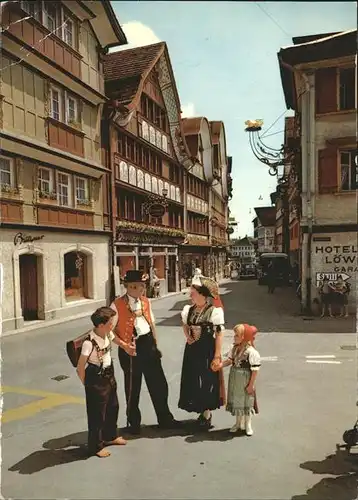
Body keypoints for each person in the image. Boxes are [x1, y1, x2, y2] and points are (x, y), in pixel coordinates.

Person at [110, 270, 180, 435]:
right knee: (133, 387)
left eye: (143, 286)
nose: (143, 289)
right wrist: (124, 345)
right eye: (140, 286)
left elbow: (151, 323)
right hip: (130, 349)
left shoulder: (146, 301)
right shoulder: (116, 305)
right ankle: (133, 423)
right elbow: (109, 331)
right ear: (130, 286)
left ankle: (165, 419)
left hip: (148, 345)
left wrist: (155, 345)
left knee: (159, 384)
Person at [76, 307, 127, 458]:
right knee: (97, 414)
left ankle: (110, 436)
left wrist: (125, 346)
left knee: (113, 406)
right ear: (100, 325)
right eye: (110, 323)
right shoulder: (89, 343)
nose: (112, 325)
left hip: (109, 373)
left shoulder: (107, 334)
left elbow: (114, 339)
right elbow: (80, 367)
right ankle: (95, 446)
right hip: (96, 377)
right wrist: (88, 384)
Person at [179, 275, 226, 430]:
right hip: (192, 349)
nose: (190, 294)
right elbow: (185, 325)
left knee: (207, 380)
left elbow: (219, 333)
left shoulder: (214, 311)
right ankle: (199, 408)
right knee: (192, 378)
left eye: (193, 291)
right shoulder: (189, 310)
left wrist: (217, 355)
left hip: (207, 348)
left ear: (202, 294)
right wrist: (188, 336)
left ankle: (206, 412)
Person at [214, 323, 260, 436]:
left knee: (246, 401)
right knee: (237, 401)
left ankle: (248, 424)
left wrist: (251, 385)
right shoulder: (234, 348)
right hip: (235, 378)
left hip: (245, 379)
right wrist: (220, 365)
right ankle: (238, 423)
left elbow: (255, 370)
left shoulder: (251, 352)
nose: (234, 337)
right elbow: (230, 361)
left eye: (237, 335)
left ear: (244, 337)